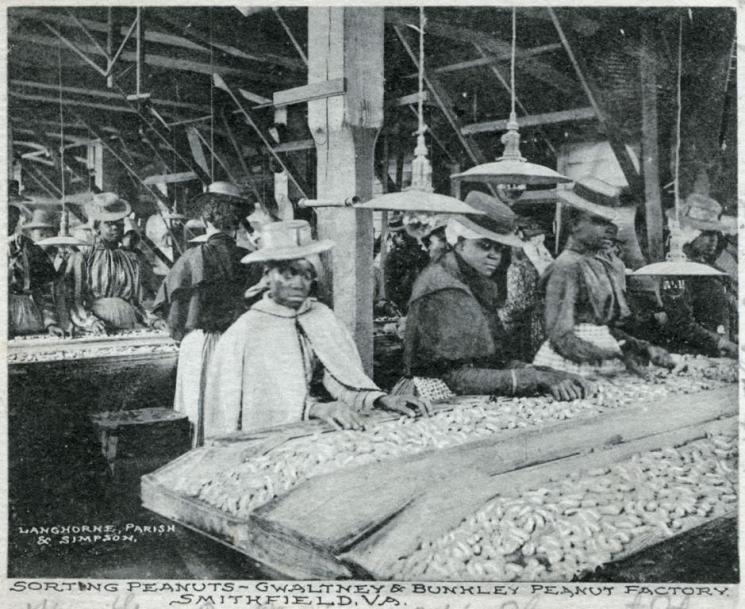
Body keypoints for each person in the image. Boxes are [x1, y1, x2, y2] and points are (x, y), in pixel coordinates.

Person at [204, 220, 428, 436]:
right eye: (287, 274)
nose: (298, 283)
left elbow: (340, 378)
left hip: (323, 431)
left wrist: (381, 399)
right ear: (267, 277)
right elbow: (254, 407)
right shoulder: (247, 331)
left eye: (306, 274)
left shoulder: (321, 317)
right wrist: (316, 409)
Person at [400, 197, 592, 403]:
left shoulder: (473, 280)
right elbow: (457, 377)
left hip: (470, 385)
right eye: (484, 246)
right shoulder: (446, 289)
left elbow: (496, 360)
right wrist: (536, 377)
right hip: (433, 395)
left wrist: (550, 373)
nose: (494, 256)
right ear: (460, 242)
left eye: (499, 249)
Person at [153, 189, 263, 447]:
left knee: (199, 407)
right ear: (236, 225)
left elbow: (174, 309)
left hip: (201, 342)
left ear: (206, 222)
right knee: (230, 407)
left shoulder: (193, 257)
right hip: (239, 344)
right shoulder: (250, 259)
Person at [533, 180, 672, 376]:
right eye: (599, 221)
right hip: (571, 365)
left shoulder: (597, 263)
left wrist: (641, 346)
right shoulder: (566, 267)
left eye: (610, 222)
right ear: (574, 225)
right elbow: (561, 337)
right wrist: (615, 355)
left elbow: (600, 327)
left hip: (601, 356)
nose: (609, 229)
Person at [628, 193, 737, 358]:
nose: (713, 240)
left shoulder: (711, 269)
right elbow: (681, 322)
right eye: (706, 234)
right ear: (690, 234)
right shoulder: (676, 272)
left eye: (715, 234)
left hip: (720, 349)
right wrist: (719, 342)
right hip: (692, 353)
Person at [80, 192, 164, 332]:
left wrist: (153, 319)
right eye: (109, 224)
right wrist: (90, 322)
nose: (115, 228)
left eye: (119, 224)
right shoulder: (86, 256)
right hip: (98, 324)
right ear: (97, 227)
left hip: (129, 321)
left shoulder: (131, 258)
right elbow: (74, 299)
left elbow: (139, 299)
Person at [7, 204, 64, 338]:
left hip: (22, 314)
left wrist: (51, 323)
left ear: (16, 220)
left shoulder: (29, 248)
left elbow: (44, 289)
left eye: (11, 218)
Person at [383, 215, 429, 313]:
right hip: (401, 301)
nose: (401, 237)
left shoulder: (422, 254)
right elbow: (389, 284)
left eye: (404, 233)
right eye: (397, 234)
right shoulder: (393, 257)